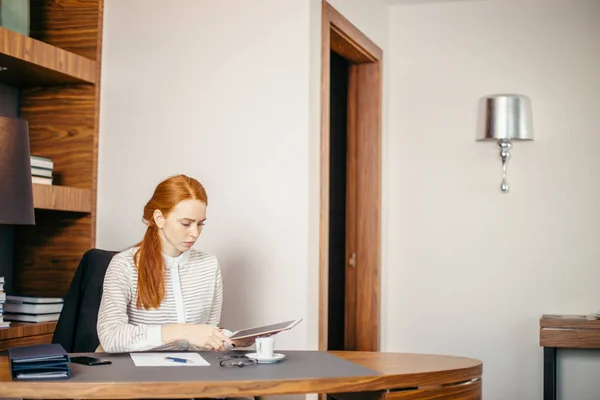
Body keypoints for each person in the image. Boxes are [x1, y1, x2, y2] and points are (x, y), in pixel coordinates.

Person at [97, 174, 245, 353]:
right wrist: (181, 331)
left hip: (191, 371)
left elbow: (203, 336)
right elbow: (110, 336)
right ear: (160, 218)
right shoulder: (125, 265)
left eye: (200, 224)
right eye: (186, 223)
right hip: (138, 373)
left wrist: (231, 339)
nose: (195, 233)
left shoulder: (209, 265)